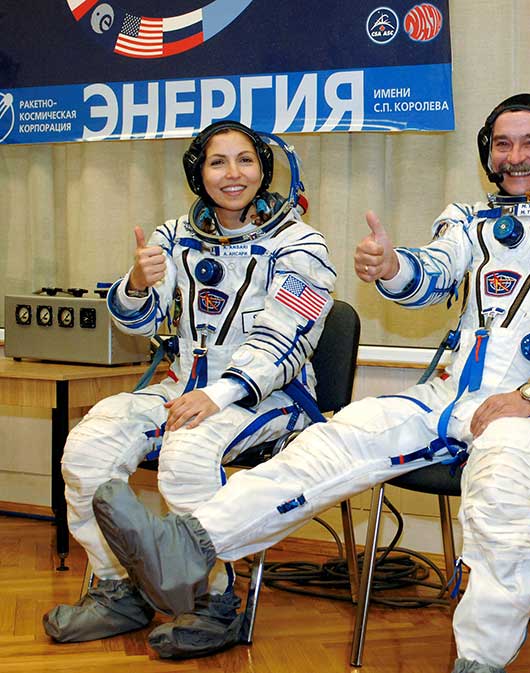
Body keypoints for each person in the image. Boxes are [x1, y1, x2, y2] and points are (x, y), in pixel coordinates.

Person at [89, 93, 530, 672]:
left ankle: (479, 661)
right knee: (336, 437)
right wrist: (391, 267)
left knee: (499, 490)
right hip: (453, 394)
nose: (515, 157)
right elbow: (432, 273)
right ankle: (188, 545)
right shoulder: (468, 219)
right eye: (502, 144)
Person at [43, 120, 337, 658]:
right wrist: (136, 283)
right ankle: (118, 589)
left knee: (187, 453)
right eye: (217, 162)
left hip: (271, 395)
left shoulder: (301, 243)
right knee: (87, 446)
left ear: (262, 169)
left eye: (245, 160)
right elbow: (142, 321)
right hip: (183, 385)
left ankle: (212, 604)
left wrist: (221, 394)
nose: (232, 173)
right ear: (198, 173)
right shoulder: (174, 235)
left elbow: (288, 333)